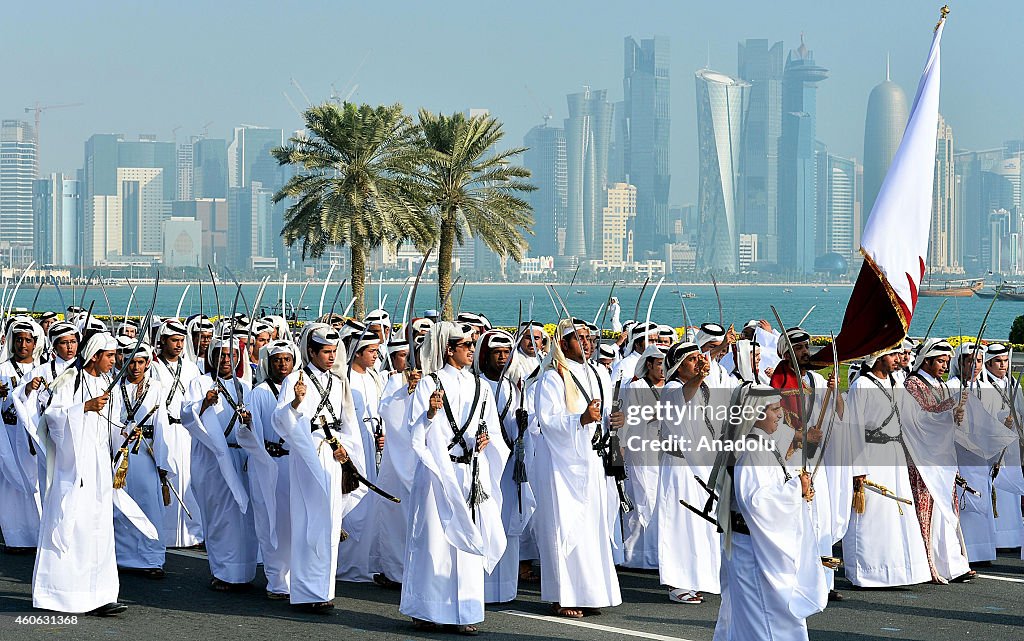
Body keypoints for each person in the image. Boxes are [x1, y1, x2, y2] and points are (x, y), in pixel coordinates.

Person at [33, 332, 159, 616]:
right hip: (75, 468)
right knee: (72, 526)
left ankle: (101, 595)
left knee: (100, 529)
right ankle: (61, 595)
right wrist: (83, 408)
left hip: (100, 465)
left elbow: (108, 424)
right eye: (110, 356)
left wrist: (125, 433)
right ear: (95, 355)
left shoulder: (105, 382)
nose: (115, 361)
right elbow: (52, 419)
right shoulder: (68, 381)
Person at [400, 321, 508, 634]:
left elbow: (489, 428)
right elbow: (415, 430)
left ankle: (467, 611)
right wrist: (430, 413)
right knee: (434, 539)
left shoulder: (480, 386)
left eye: (473, 346)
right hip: (438, 472)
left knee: (469, 542)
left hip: (470, 471)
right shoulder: (429, 384)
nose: (472, 351)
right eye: (466, 346)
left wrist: (484, 442)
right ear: (450, 350)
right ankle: (427, 609)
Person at [713, 385, 827, 641]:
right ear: (755, 413)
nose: (780, 415)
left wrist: (797, 489)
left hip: (760, 547)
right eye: (774, 409)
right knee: (767, 619)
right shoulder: (752, 451)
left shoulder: (764, 444)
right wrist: (796, 489)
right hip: (752, 551)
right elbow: (756, 503)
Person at [272, 324, 367, 613]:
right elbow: (281, 420)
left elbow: (348, 422)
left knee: (329, 523)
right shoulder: (295, 381)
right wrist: (296, 402)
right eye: (325, 351)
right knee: (307, 521)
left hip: (333, 456)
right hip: (306, 454)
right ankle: (304, 591)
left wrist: (345, 448)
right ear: (310, 351)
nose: (331, 356)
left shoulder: (339, 383)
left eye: (334, 351)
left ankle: (323, 590)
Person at [532, 318, 622, 618]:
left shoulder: (599, 373)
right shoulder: (553, 377)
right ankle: (563, 596)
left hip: (593, 460)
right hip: (563, 466)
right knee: (565, 527)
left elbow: (605, 415)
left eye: (589, 337)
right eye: (579, 337)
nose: (587, 342)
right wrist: (580, 420)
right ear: (563, 343)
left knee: (593, 527)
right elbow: (548, 421)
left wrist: (613, 422)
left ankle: (590, 592)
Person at [842, 345, 930, 587]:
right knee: (873, 513)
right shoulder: (862, 385)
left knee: (897, 512)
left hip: (895, 455)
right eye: (892, 354)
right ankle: (868, 570)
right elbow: (854, 428)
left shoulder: (896, 383)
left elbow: (913, 417)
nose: (897, 359)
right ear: (877, 358)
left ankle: (899, 570)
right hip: (870, 455)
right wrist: (858, 468)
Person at [181, 337, 258, 592]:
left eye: (230, 355)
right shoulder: (199, 384)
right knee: (219, 516)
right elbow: (186, 415)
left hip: (241, 457)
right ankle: (223, 573)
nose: (225, 360)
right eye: (220, 355)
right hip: (212, 458)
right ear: (211, 356)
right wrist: (203, 403)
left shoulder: (245, 387)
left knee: (243, 518)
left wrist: (248, 421)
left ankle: (243, 572)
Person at [653, 341, 722, 604]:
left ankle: (696, 578)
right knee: (680, 523)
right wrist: (700, 376)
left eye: (697, 358)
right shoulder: (672, 389)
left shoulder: (701, 387)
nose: (697, 363)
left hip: (702, 464)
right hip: (680, 467)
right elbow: (685, 395)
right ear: (679, 367)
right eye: (691, 360)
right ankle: (677, 583)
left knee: (700, 523)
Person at [475, 329, 536, 604]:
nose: (502, 357)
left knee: (507, 523)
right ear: (484, 355)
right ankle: (481, 588)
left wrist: (522, 424)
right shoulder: (476, 385)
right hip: (484, 464)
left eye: (505, 353)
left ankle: (506, 588)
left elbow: (520, 428)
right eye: (496, 353)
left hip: (510, 466)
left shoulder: (512, 388)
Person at [236, 339, 299, 600]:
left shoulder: (300, 389)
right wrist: (248, 424)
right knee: (270, 522)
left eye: (286, 359)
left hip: (294, 465)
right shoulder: (260, 392)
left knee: (295, 521)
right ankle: (276, 581)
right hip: (268, 463)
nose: (282, 364)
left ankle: (296, 578)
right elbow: (250, 431)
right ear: (267, 363)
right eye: (277, 360)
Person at [108, 343, 173, 578]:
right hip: (121, 453)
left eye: (140, 363)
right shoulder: (115, 388)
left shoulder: (156, 388)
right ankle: (122, 557)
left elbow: (161, 424)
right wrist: (122, 434)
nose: (135, 367)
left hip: (146, 454)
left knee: (148, 504)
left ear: (147, 364)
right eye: (131, 362)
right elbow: (110, 420)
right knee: (121, 505)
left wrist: (163, 462)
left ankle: (151, 558)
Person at [337, 325, 386, 583]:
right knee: (353, 501)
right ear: (356, 353)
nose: (376, 355)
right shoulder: (344, 378)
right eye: (371, 351)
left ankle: (365, 563)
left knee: (370, 504)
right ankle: (346, 565)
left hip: (372, 447)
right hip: (353, 448)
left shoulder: (374, 377)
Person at [150, 319, 204, 548]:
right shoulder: (153, 367)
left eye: (182, 340)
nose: (179, 345)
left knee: (191, 480)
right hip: (165, 429)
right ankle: (168, 533)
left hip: (188, 430)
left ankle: (194, 533)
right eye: (174, 340)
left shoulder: (191, 367)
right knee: (168, 476)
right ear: (163, 341)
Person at [0, 317, 45, 552]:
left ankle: (38, 535)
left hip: (32, 435)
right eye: (19, 340)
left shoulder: (43, 370)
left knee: (35, 481)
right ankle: (15, 537)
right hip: (8, 432)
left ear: (35, 343)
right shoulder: (2, 369)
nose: (23, 345)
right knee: (9, 485)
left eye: (28, 340)